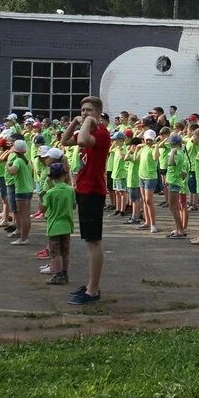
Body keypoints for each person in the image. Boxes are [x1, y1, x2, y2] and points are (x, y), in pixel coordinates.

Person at [64, 95, 112, 306]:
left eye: (89, 110)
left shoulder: (101, 134)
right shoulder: (87, 129)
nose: (85, 114)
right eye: (82, 110)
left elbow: (83, 141)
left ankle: (93, 290)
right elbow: (65, 141)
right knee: (89, 240)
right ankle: (90, 284)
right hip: (82, 189)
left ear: (99, 114)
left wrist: (91, 123)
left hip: (93, 190)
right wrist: (75, 122)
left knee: (94, 241)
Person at [42, 160, 75, 286]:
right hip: (67, 225)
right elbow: (73, 206)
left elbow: (44, 208)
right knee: (65, 252)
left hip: (54, 226)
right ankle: (65, 273)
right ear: (64, 175)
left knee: (55, 253)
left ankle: (58, 275)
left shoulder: (50, 192)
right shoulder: (70, 190)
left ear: (51, 178)